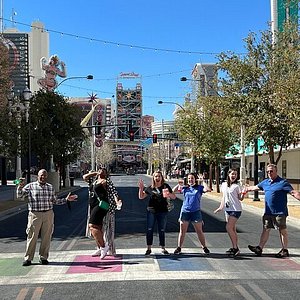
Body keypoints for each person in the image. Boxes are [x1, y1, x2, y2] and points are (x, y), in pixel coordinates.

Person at [18, 169, 78, 266]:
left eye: (45, 176)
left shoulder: (50, 187)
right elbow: (20, 196)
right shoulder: (30, 186)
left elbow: (55, 201)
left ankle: (43, 257)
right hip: (35, 215)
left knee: (46, 236)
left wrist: (66, 200)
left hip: (48, 214)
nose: (43, 177)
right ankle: (28, 258)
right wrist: (20, 186)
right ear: (38, 176)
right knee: (32, 236)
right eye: (41, 175)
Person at [246, 164, 300, 258]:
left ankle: (285, 250)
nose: (269, 173)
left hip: (279, 212)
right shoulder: (265, 182)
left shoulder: (283, 182)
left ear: (276, 171)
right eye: (268, 171)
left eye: (271, 171)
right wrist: (246, 189)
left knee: (282, 230)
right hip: (268, 212)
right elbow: (255, 187)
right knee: (266, 229)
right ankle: (259, 248)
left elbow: (293, 192)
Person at [83, 168, 121, 259]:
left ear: (107, 173)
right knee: (99, 227)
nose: (101, 171)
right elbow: (84, 177)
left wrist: (117, 201)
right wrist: (94, 173)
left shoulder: (106, 181)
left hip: (102, 205)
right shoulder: (94, 181)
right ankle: (100, 247)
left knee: (92, 225)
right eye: (100, 169)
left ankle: (104, 247)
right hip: (93, 205)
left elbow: (114, 192)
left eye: (104, 170)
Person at [138, 171, 176, 255]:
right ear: (153, 178)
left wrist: (168, 194)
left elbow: (174, 197)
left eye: (159, 176)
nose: (157, 178)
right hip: (151, 211)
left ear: (162, 177)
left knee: (161, 229)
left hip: (163, 211)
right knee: (149, 229)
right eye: (156, 176)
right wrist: (141, 188)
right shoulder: (150, 188)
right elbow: (141, 197)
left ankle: (163, 247)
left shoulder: (165, 186)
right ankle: (148, 248)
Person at [172, 173, 211, 255]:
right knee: (182, 231)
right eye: (189, 178)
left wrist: (203, 181)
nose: (190, 180)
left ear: (195, 179)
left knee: (199, 231)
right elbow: (173, 191)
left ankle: (204, 247)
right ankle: (179, 247)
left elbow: (208, 189)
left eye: (192, 178)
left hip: (196, 212)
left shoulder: (199, 188)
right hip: (185, 212)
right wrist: (178, 184)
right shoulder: (185, 188)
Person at [214, 168, 245, 256]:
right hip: (227, 210)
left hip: (236, 210)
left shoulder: (237, 186)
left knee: (228, 227)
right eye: (232, 174)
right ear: (228, 174)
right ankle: (235, 247)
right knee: (233, 229)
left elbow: (240, 198)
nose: (234, 176)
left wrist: (244, 192)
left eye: (235, 174)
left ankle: (235, 248)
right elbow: (224, 197)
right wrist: (221, 207)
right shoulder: (224, 185)